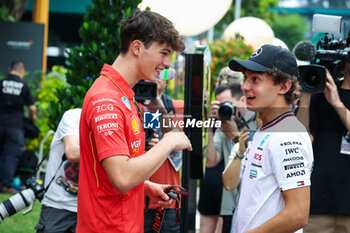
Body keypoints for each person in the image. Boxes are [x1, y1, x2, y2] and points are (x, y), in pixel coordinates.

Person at [77, 10, 192, 233]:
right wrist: (167, 142)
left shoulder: (124, 96)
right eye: (164, 53)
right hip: (107, 226)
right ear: (137, 48)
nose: (168, 64)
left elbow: (111, 173)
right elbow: (122, 176)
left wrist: (146, 186)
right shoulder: (106, 100)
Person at [227, 44, 313, 233]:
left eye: (255, 79)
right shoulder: (269, 128)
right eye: (245, 78)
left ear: (284, 86)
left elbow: (298, 214)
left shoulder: (287, 135)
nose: (244, 86)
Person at [297, 36, 350, 232]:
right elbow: (301, 140)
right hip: (318, 205)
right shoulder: (319, 93)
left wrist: (337, 103)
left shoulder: (332, 97)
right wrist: (306, 98)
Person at [200, 82, 256, 233]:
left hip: (253, 203)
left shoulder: (258, 120)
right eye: (220, 104)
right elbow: (211, 162)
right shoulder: (224, 123)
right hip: (230, 204)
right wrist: (210, 126)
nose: (225, 108)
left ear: (242, 101)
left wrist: (235, 136)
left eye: (227, 104)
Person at [143, 75, 185, 233]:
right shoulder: (132, 105)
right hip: (138, 198)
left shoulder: (177, 106)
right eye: (154, 71)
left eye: (161, 73)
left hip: (168, 200)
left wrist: (160, 109)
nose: (156, 77)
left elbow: (180, 141)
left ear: (168, 80)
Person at [35, 108, 81, 233]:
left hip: (90, 209)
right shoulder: (74, 116)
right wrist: (107, 146)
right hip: (58, 206)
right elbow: (72, 152)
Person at [0, 60, 37, 194]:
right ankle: (7, 185)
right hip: (15, 126)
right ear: (22, 71)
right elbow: (32, 108)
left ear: (10, 69)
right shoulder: (23, 86)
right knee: (11, 156)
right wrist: (32, 118)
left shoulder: (2, 83)